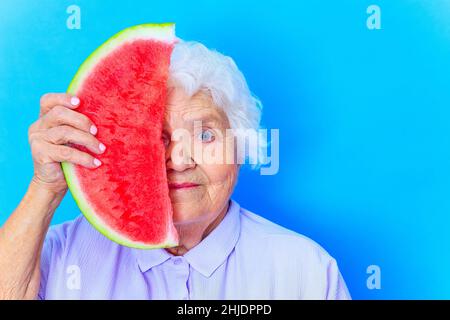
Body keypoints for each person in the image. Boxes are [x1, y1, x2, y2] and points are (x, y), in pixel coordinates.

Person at [0, 40, 350, 299]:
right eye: (156, 137)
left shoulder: (306, 270)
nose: (180, 160)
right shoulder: (59, 253)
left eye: (205, 135)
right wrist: (45, 189)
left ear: (240, 146)